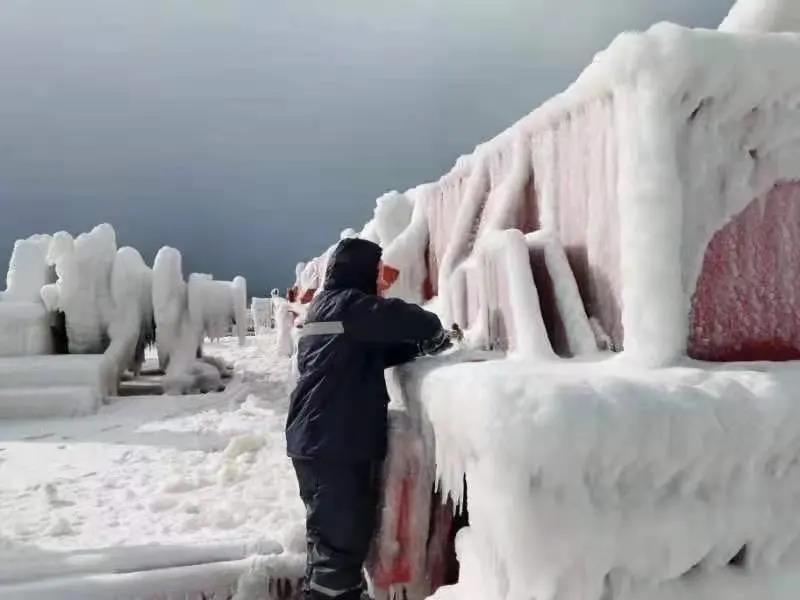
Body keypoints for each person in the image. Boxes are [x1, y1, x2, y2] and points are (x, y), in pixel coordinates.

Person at [286, 238, 451, 600]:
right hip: (333, 444)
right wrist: (435, 334)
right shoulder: (350, 305)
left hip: (317, 441)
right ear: (360, 271)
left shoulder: (324, 309)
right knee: (339, 551)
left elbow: (365, 355)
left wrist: (415, 349)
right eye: (375, 271)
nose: (379, 280)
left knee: (329, 546)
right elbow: (410, 319)